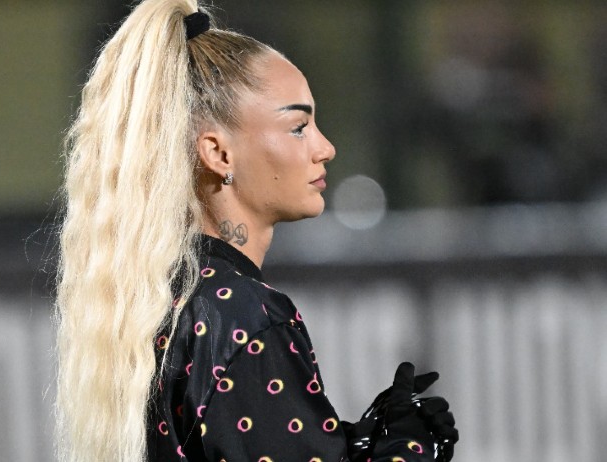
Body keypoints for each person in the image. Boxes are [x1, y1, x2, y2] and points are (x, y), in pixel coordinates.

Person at [55, 1, 458, 461]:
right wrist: (409, 450)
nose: (325, 148)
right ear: (218, 154)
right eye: (298, 127)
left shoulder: (158, 298)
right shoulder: (244, 316)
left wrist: (360, 446)